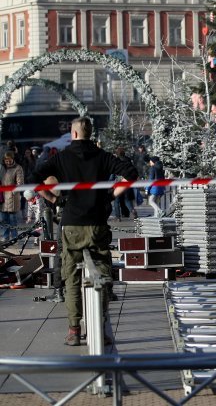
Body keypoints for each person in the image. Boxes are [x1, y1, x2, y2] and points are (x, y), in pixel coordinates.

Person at [29, 117, 138, 346]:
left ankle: (74, 330)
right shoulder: (103, 156)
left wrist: (55, 199)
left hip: (72, 224)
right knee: (102, 275)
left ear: (74, 134)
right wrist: (109, 195)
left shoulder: (61, 157)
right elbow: (131, 174)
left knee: (71, 277)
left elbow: (34, 180)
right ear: (90, 133)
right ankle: (101, 328)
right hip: (97, 223)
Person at [0, 152, 25, 242]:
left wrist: (14, 191)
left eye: (10, 160)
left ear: (13, 159)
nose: (8, 162)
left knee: (12, 219)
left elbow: (20, 182)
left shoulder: (18, 168)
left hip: (12, 197)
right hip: (2, 197)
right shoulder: (2, 168)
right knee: (3, 219)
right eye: (6, 160)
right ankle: (5, 236)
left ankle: (14, 237)